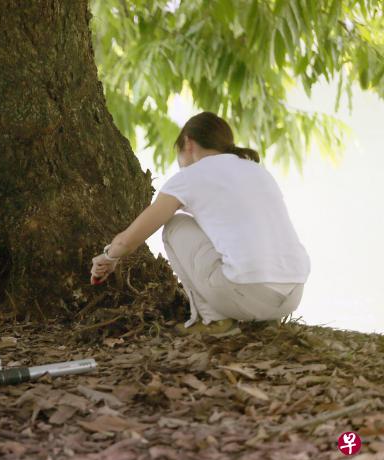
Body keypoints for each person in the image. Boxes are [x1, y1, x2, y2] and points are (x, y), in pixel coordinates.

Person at [91, 112, 310, 336]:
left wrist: (109, 257)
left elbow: (131, 238)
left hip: (247, 294)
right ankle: (265, 322)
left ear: (188, 142)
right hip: (292, 295)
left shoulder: (189, 177)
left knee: (175, 225)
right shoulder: (258, 171)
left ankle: (215, 321)